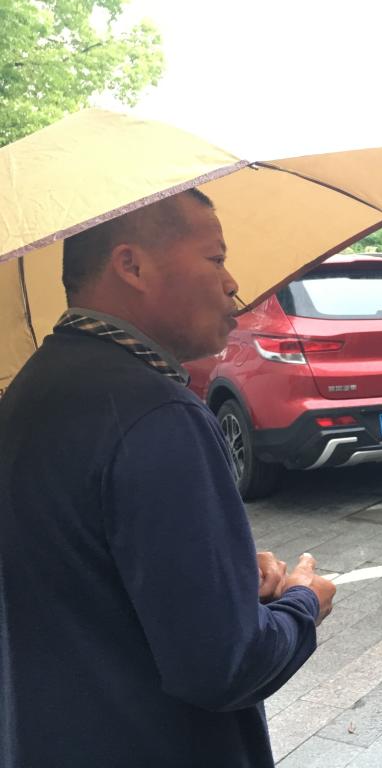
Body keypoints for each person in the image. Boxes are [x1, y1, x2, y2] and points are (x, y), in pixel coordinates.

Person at [0, 189, 337, 768]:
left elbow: (87, 568)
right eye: (216, 258)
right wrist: (305, 603)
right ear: (132, 265)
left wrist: (223, 569)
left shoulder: (35, 387)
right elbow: (225, 666)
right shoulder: (155, 413)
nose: (232, 283)